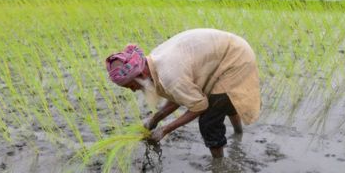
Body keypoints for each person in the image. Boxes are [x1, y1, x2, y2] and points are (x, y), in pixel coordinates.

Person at [105, 28, 261, 158]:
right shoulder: (153, 62)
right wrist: (155, 119)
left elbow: (199, 106)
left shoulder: (169, 74)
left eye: (131, 85)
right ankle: (238, 134)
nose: (133, 90)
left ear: (141, 75)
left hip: (235, 59)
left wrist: (165, 130)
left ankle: (218, 168)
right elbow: (179, 95)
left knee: (209, 120)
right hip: (227, 51)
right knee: (223, 101)